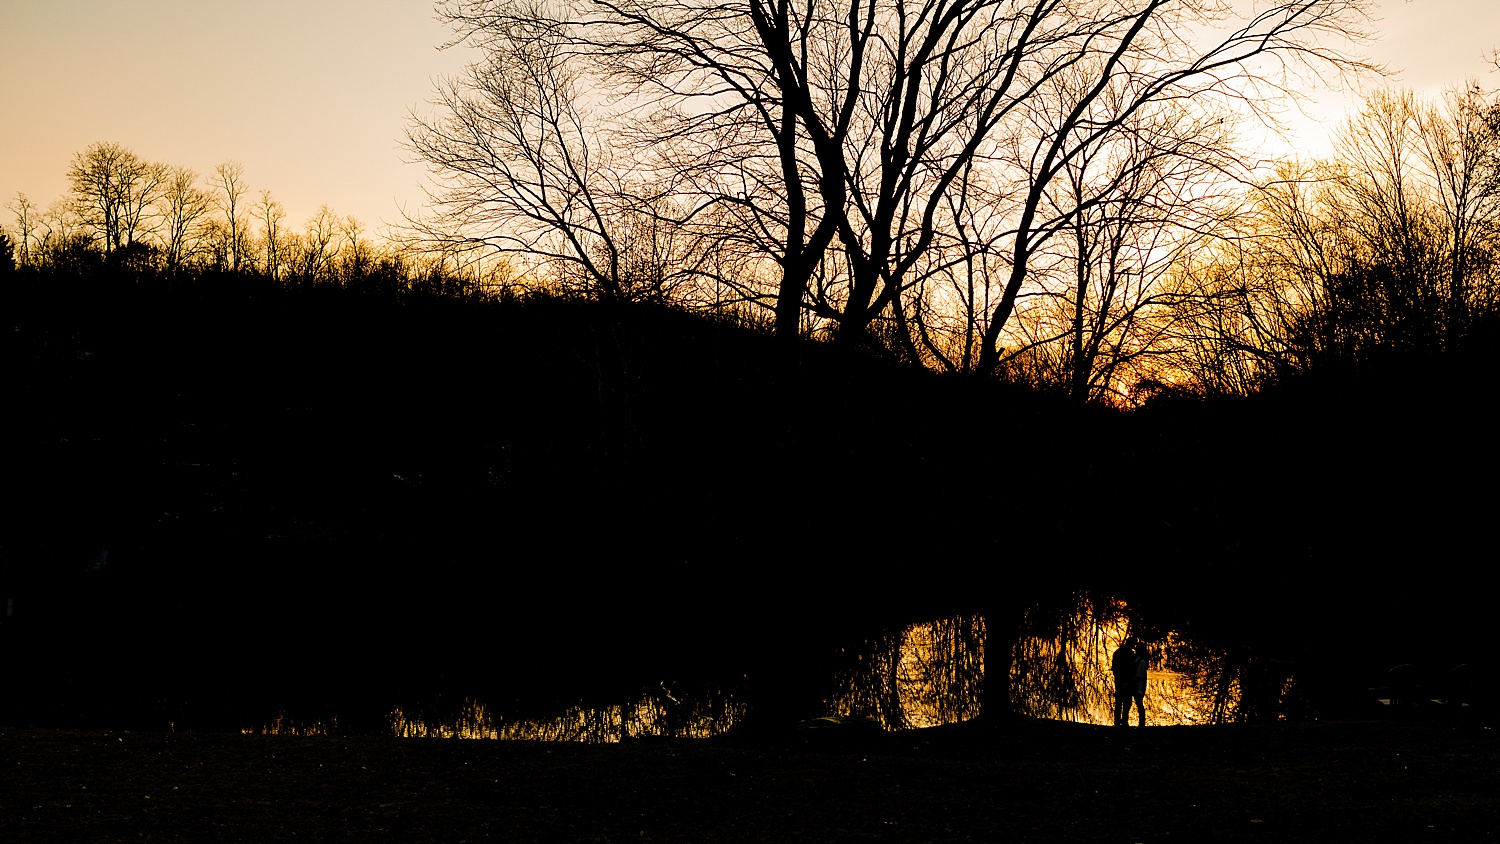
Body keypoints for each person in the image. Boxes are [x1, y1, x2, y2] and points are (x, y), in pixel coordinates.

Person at [1111, 637, 1137, 727]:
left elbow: (1114, 668)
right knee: (1126, 702)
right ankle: (1123, 721)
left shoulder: (1118, 652)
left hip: (1120, 680)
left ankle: (1118, 721)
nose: (1134, 646)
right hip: (1125, 680)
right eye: (1133, 644)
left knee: (1120, 702)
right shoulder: (1128, 654)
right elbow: (1129, 669)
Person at [1131, 641, 1149, 727]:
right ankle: (1141, 723)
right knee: (1138, 703)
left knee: (1139, 704)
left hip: (1138, 686)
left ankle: (1142, 723)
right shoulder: (1138, 659)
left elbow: (1140, 675)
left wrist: (1132, 681)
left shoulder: (1141, 661)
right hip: (1136, 685)